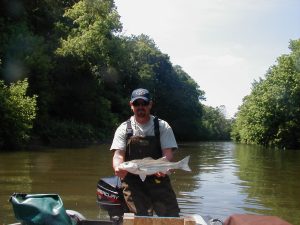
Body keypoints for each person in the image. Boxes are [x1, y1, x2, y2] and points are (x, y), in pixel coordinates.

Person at [110, 88, 180, 217]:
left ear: (150, 105)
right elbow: (118, 155)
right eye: (137, 103)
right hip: (133, 181)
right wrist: (118, 167)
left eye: (144, 103)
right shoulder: (123, 128)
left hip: (159, 178)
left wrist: (164, 167)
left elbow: (168, 153)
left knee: (171, 215)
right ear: (131, 105)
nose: (140, 107)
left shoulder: (162, 126)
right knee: (140, 218)